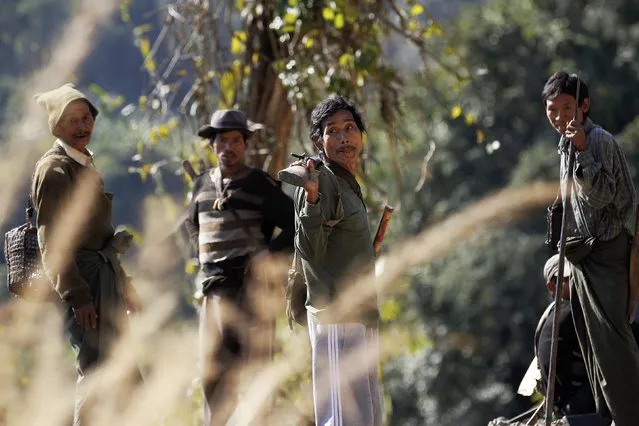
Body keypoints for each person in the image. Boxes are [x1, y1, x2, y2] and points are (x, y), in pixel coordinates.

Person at [33, 83, 142, 425]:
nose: (82, 126)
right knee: (96, 372)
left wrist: (124, 286)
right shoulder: (55, 169)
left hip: (103, 277)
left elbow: (103, 240)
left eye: (86, 118)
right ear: (56, 126)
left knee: (122, 371)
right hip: (83, 284)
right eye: (72, 120)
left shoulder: (84, 165)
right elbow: (53, 241)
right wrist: (78, 296)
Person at [183, 109, 294, 425]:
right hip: (212, 292)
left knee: (254, 373)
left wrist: (267, 255)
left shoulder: (258, 183)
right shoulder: (202, 184)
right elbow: (193, 225)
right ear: (212, 144)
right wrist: (204, 259)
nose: (228, 147)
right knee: (212, 374)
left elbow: (294, 225)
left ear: (245, 144)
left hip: (250, 293)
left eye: (235, 140)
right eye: (222, 140)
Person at [542, 70, 639, 425]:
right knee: (592, 345)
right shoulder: (566, 142)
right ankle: (609, 415)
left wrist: (582, 150)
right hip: (583, 257)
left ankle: (631, 416)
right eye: (552, 110)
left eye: (567, 107)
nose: (559, 117)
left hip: (609, 253)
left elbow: (602, 198)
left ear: (584, 106)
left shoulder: (596, 140)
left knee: (613, 344)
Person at [293, 94, 383, 426]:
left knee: (365, 416)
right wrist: (313, 199)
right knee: (342, 419)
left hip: (360, 316)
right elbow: (308, 250)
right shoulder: (320, 182)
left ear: (361, 133)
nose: (344, 137)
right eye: (333, 131)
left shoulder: (346, 182)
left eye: (350, 128)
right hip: (336, 318)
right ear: (318, 140)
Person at [535, 254, 596, 417]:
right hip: (582, 405)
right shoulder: (570, 312)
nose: (576, 280)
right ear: (552, 287)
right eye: (568, 278)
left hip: (569, 406)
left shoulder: (554, 313)